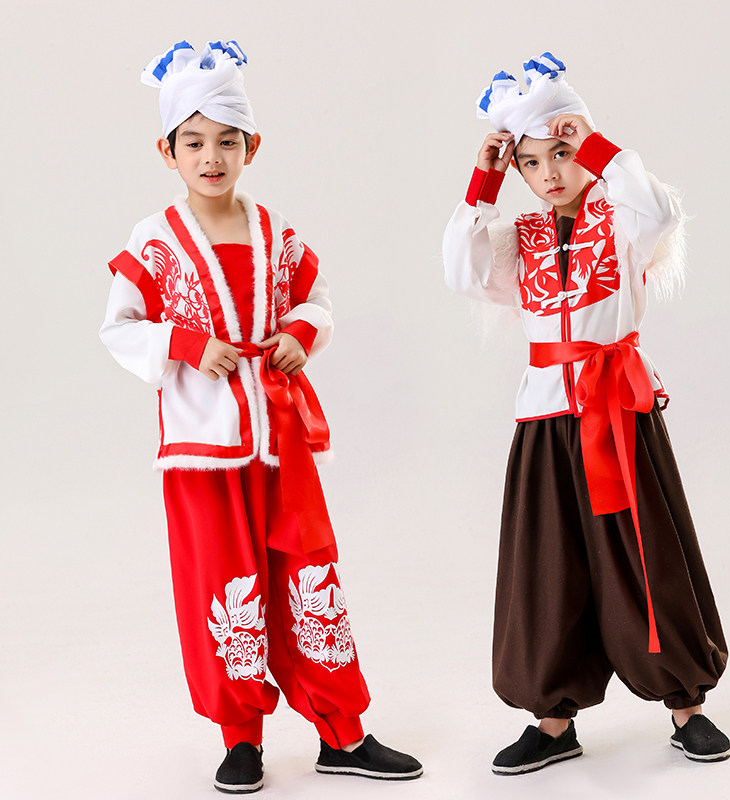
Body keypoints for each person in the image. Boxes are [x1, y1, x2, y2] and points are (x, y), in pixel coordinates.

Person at [100, 40, 422, 794]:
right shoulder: (154, 240)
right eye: (193, 142)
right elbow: (119, 327)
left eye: (226, 141)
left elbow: (316, 298)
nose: (210, 157)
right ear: (167, 151)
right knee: (224, 585)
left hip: (281, 439)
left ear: (252, 147)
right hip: (203, 450)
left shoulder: (277, 232)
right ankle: (240, 737)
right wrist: (185, 343)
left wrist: (301, 332)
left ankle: (342, 733)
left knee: (309, 577)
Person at [443, 52, 730, 774]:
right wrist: (482, 181)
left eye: (562, 153)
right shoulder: (522, 238)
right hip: (546, 420)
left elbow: (659, 211)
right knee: (550, 564)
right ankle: (552, 720)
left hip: (620, 411)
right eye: (531, 162)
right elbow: (462, 271)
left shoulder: (620, 221)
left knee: (645, 554)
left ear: (585, 148)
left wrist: (597, 146)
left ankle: (686, 705)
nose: (549, 173)